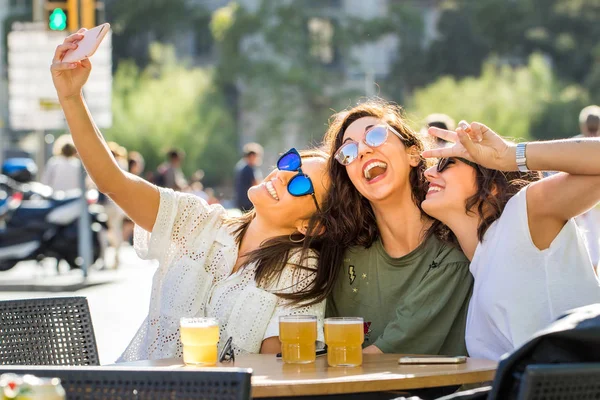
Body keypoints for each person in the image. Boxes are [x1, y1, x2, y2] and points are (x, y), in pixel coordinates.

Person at [51, 32, 332, 361]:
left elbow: (275, 371)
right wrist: (71, 98)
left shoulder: (303, 273)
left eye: (301, 184)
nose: (284, 175)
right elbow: (112, 181)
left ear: (310, 226)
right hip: (137, 386)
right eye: (291, 163)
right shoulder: (200, 220)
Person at [421, 120, 600, 361]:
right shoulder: (479, 262)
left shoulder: (524, 215)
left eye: (446, 163)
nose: (429, 173)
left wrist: (510, 155)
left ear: (492, 186)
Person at [315, 100, 473, 355]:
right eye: (348, 152)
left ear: (412, 154)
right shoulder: (343, 258)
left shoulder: (451, 254)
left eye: (375, 135)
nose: (363, 151)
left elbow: (383, 356)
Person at [574, 105, 600, 271]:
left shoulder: (576, 143)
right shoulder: (576, 143)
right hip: (586, 203)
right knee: (589, 246)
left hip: (591, 202)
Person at [235, 143, 264, 211]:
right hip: (249, 202)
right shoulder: (249, 169)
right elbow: (257, 184)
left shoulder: (240, 167)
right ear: (252, 156)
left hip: (241, 202)